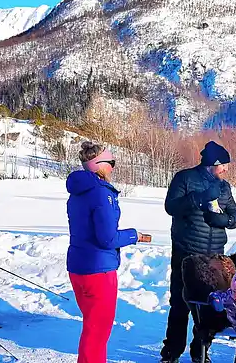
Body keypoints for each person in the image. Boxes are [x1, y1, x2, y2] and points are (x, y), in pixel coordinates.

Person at [66, 141, 151, 363]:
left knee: (91, 327)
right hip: (98, 270)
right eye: (111, 162)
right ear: (99, 165)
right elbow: (108, 238)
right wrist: (135, 235)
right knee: (97, 332)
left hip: (78, 267)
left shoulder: (77, 191)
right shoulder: (102, 194)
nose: (113, 167)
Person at [160, 141, 236, 363]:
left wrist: (224, 219)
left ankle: (201, 351)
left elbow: (235, 215)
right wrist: (200, 198)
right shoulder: (185, 178)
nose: (226, 169)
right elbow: (171, 207)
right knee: (180, 303)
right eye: (223, 164)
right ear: (212, 163)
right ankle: (171, 352)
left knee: (211, 306)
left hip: (215, 254)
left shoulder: (224, 186)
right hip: (187, 252)